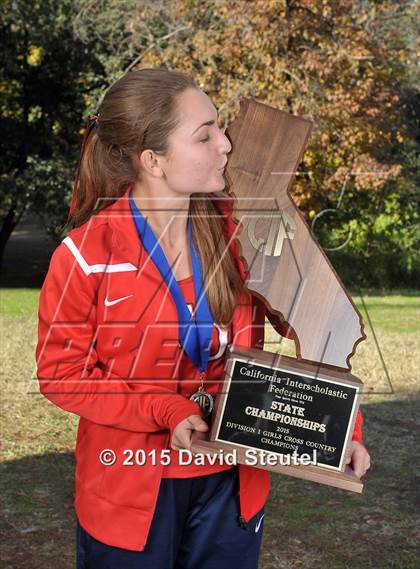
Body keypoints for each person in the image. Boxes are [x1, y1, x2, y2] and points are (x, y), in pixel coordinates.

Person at [36, 67, 370, 569]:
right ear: (153, 160)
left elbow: (322, 323)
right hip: (128, 487)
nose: (227, 144)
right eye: (205, 134)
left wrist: (343, 427)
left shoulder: (248, 235)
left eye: (221, 127)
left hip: (231, 484)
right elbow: (62, 377)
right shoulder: (86, 254)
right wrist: (166, 409)